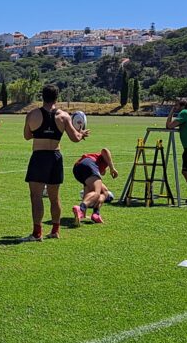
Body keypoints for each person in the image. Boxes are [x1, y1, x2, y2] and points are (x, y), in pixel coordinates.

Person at [19, 84, 89, 242]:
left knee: (36, 196)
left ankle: (37, 233)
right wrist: (81, 133)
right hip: (56, 157)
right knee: (54, 197)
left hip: (39, 157)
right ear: (57, 97)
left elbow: (27, 136)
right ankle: (55, 230)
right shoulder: (64, 116)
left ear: (42, 96)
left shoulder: (32, 114)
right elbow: (75, 138)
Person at [72, 148, 118, 226]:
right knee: (97, 192)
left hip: (77, 168)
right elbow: (105, 150)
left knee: (104, 191)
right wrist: (112, 168)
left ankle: (95, 214)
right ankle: (81, 208)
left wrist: (84, 214)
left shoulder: (97, 168)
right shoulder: (103, 160)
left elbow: (86, 190)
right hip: (89, 163)